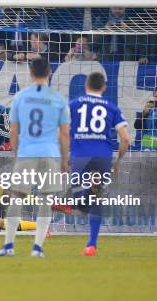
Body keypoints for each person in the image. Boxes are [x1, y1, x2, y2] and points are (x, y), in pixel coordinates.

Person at [0, 57, 70, 258]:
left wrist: (16, 151)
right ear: (50, 72)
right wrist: (64, 159)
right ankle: (37, 247)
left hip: (27, 153)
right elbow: (64, 133)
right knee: (45, 200)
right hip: (50, 154)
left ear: (30, 73)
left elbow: (13, 128)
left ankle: (9, 246)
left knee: (17, 198)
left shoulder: (20, 96)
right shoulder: (58, 99)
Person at [54, 72, 130, 256]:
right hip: (103, 156)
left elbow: (61, 133)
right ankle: (91, 244)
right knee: (97, 199)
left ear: (85, 85)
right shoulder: (112, 108)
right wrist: (118, 160)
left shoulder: (73, 105)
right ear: (104, 87)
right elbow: (126, 138)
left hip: (80, 156)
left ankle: (72, 203)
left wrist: (63, 158)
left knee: (80, 196)